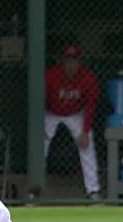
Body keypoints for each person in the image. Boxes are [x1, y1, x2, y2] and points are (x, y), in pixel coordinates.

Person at [44, 44, 102, 199]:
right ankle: (34, 190)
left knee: (87, 144)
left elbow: (91, 106)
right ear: (62, 61)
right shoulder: (51, 75)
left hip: (76, 113)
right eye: (68, 60)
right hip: (51, 112)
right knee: (40, 145)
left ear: (80, 62)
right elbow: (40, 100)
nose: (71, 64)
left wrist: (85, 130)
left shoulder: (88, 78)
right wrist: (40, 125)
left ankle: (93, 190)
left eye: (74, 61)